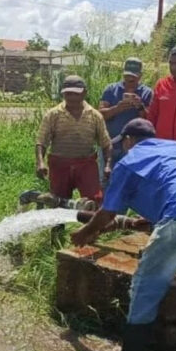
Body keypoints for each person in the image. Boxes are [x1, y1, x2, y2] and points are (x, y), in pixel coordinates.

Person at [71, 118, 176, 351]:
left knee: (145, 290)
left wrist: (84, 233)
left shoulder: (129, 162)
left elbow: (107, 212)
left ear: (128, 141)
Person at [36, 75, 112, 243]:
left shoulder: (94, 116)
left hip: (86, 164)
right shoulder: (53, 114)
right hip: (59, 164)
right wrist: (40, 162)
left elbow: (106, 144)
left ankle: (92, 236)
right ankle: (56, 239)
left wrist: (107, 165)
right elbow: (41, 141)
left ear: (84, 93)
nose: (71, 98)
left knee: (94, 201)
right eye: (67, 94)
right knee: (57, 202)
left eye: (75, 94)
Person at [98, 57, 153, 172]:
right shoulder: (111, 89)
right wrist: (117, 109)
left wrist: (140, 107)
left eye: (133, 75)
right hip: (111, 145)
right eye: (127, 75)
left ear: (140, 76)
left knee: (130, 182)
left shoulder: (147, 92)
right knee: (107, 181)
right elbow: (100, 115)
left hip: (134, 147)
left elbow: (150, 120)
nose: (130, 78)